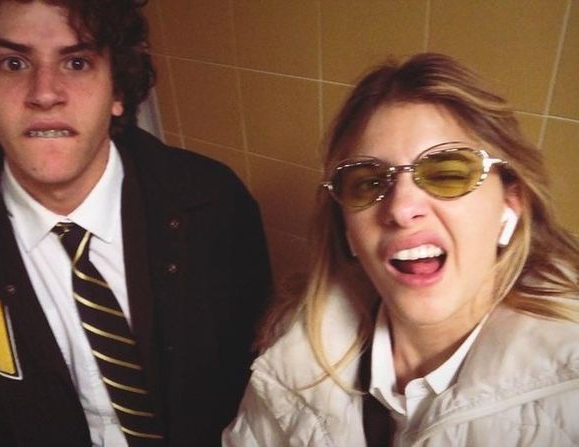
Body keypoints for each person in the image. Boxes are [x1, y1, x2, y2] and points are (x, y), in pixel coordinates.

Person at [0, 1, 271, 445]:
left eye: (77, 62)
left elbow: (254, 374)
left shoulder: (214, 203)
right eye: (13, 63)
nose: (45, 93)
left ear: (117, 90)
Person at [223, 52, 579, 446]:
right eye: (367, 182)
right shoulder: (293, 356)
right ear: (347, 229)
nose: (401, 208)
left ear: (509, 205)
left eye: (447, 172)